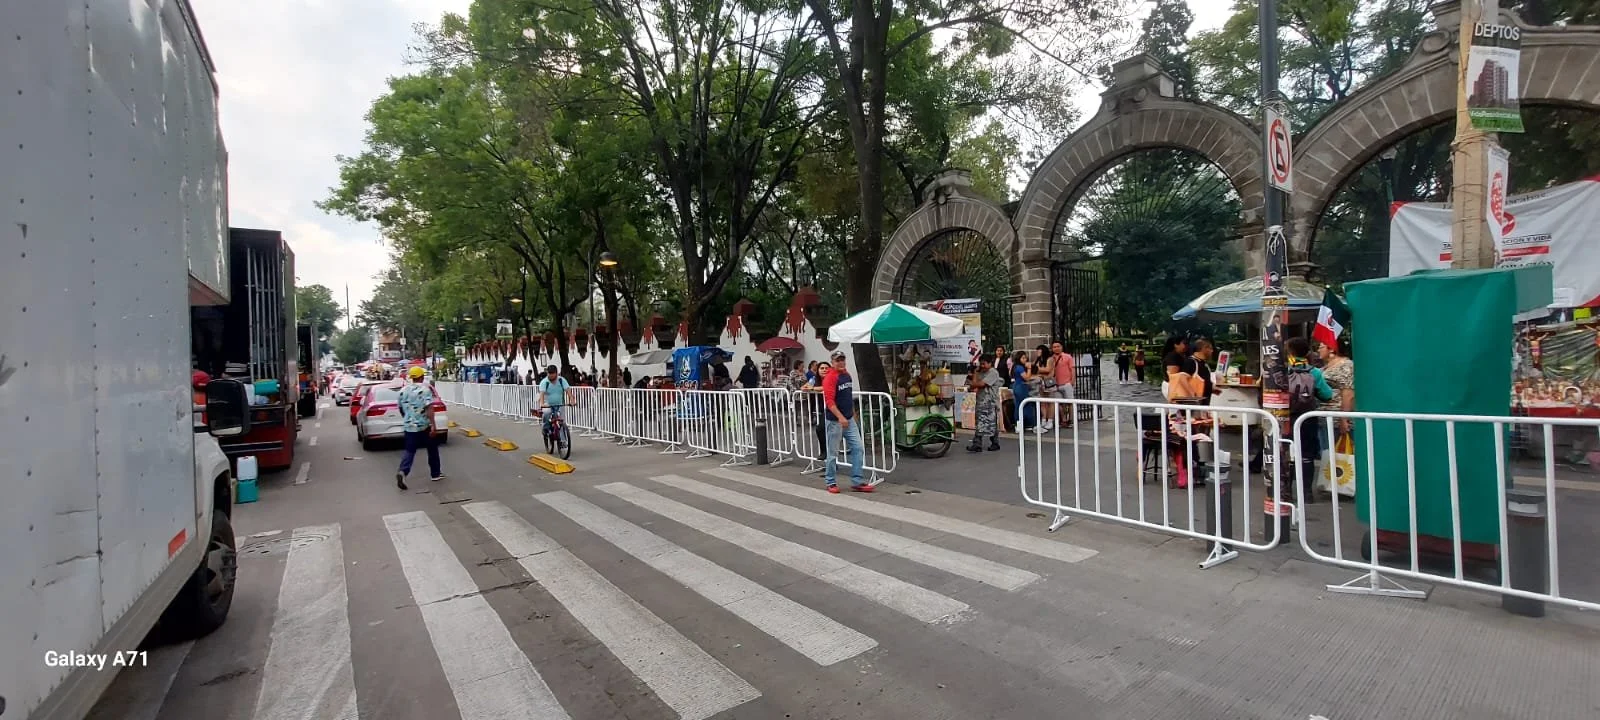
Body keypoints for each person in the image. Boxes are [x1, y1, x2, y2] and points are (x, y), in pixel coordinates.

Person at [821, 350, 871, 493]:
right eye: (838, 360)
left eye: (843, 359)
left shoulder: (847, 376)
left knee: (858, 448)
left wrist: (852, 414)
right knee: (833, 453)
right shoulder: (830, 378)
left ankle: (857, 481)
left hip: (849, 419)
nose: (841, 362)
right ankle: (830, 481)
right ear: (832, 363)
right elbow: (829, 401)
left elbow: (848, 397)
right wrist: (840, 417)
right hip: (835, 421)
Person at [396, 365, 444, 490]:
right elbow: (429, 408)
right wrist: (433, 425)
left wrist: (407, 419)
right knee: (432, 449)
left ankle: (403, 471)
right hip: (424, 426)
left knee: (409, 451)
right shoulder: (425, 390)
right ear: (422, 377)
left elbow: (401, 409)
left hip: (409, 426)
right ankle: (435, 473)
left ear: (411, 378)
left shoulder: (402, 391)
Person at [967, 356, 1002, 452]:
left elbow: (980, 384)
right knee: (979, 423)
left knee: (991, 423)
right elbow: (973, 385)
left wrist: (974, 383)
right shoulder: (980, 372)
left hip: (990, 402)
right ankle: (977, 443)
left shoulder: (993, 373)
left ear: (990, 363)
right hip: (981, 401)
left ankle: (995, 442)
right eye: (981, 364)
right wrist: (976, 372)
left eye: (984, 363)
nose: (982, 366)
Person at [537, 364, 571, 432]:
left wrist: (572, 400)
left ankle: (563, 440)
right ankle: (545, 428)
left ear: (556, 373)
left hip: (560, 404)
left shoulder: (561, 380)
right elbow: (542, 394)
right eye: (549, 373)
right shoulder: (544, 382)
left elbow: (568, 390)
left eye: (553, 373)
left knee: (562, 421)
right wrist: (542, 404)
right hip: (548, 404)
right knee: (546, 413)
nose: (551, 375)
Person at [1049, 341, 1075, 429]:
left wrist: (1072, 381)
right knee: (1059, 403)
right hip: (1056, 384)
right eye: (1054, 347)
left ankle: (1071, 420)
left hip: (1067, 383)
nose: (1056, 348)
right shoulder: (1051, 359)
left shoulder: (1068, 357)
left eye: (1058, 346)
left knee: (1070, 402)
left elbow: (1072, 369)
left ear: (1061, 347)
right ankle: (1063, 419)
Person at [1010, 350, 1035, 432]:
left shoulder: (1015, 367)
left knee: (1021, 405)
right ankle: (1022, 423)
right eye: (1023, 358)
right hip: (1021, 386)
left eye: (1025, 358)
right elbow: (1027, 378)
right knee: (1022, 405)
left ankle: (1023, 424)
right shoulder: (1019, 367)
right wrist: (1029, 368)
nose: (1025, 360)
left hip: (1018, 386)